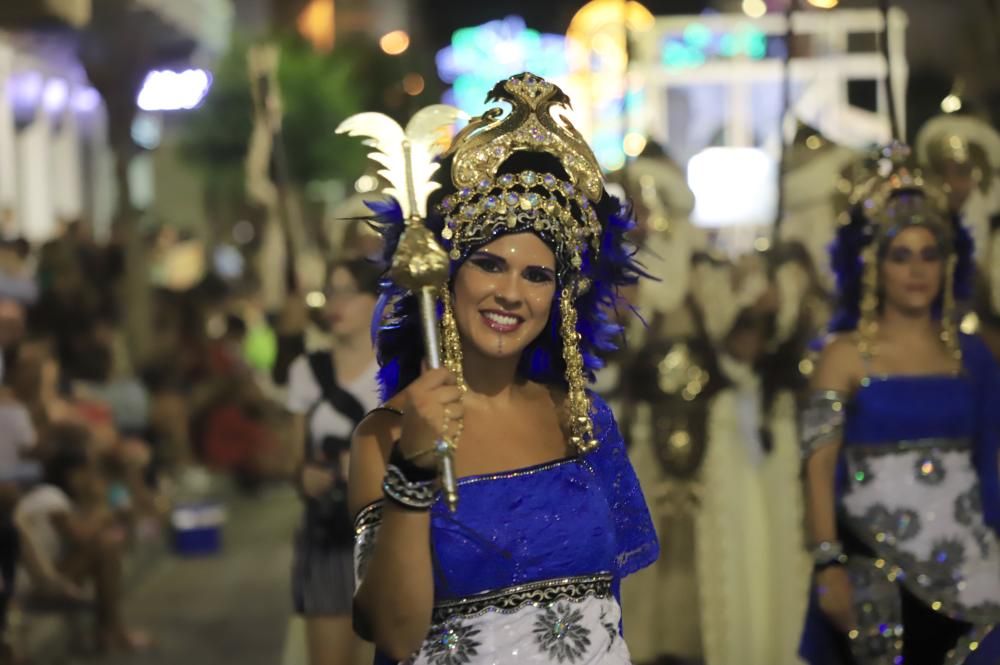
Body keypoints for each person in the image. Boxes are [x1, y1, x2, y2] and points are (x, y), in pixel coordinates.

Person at [347, 73, 658, 664]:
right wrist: (412, 474)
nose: (511, 294)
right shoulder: (386, 436)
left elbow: (608, 608)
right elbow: (393, 633)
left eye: (537, 275)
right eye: (490, 264)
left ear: (560, 298)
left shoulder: (583, 419)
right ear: (447, 279)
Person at [800, 145, 1000, 664]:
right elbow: (819, 468)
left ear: (948, 261)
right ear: (873, 266)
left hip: (978, 573)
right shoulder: (843, 357)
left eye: (930, 254)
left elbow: (992, 461)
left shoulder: (972, 355)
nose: (917, 270)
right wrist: (828, 564)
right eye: (901, 255)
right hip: (875, 574)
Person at [288, 259, 381, 665]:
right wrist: (304, 476)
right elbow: (294, 459)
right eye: (330, 292)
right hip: (329, 535)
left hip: (390, 535)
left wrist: (368, 469)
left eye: (347, 292)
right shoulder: (307, 370)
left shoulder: (400, 370)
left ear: (377, 301)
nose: (335, 303)